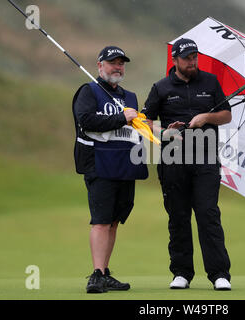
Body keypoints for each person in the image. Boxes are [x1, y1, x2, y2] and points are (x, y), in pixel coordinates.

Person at [142, 38, 232, 290]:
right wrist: (163, 132)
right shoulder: (161, 88)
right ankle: (181, 273)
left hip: (205, 158)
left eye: (195, 57)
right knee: (178, 216)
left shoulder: (210, 82)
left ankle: (219, 274)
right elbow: (144, 122)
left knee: (207, 214)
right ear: (175, 60)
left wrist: (206, 117)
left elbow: (226, 114)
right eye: (187, 58)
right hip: (173, 160)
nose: (193, 62)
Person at [72, 45, 148, 293]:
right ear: (100, 65)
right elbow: (86, 121)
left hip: (124, 164)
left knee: (114, 221)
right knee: (102, 221)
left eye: (121, 63)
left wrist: (164, 132)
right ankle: (95, 274)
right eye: (113, 62)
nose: (118, 67)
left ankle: (104, 272)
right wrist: (121, 118)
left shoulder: (130, 98)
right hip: (98, 163)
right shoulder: (89, 91)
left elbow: (136, 129)